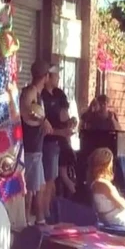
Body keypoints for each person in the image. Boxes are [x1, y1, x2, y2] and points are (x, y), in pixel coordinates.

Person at [40, 64, 75, 220]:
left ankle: (51, 210)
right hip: (47, 142)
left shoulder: (59, 94)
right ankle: (44, 213)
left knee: (54, 178)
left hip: (59, 142)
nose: (58, 78)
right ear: (48, 77)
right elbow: (43, 125)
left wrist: (70, 123)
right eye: (56, 75)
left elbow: (64, 116)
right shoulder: (41, 96)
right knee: (47, 179)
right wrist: (61, 132)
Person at [20, 61, 52, 225]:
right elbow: (25, 110)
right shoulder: (31, 91)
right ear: (45, 76)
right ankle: (39, 220)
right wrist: (43, 120)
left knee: (33, 189)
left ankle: (27, 220)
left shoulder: (38, 94)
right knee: (37, 187)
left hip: (35, 147)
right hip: (31, 147)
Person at [88, 147, 125, 232]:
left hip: (115, 215)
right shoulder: (104, 184)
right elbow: (123, 205)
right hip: (116, 218)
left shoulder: (95, 183)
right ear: (107, 164)